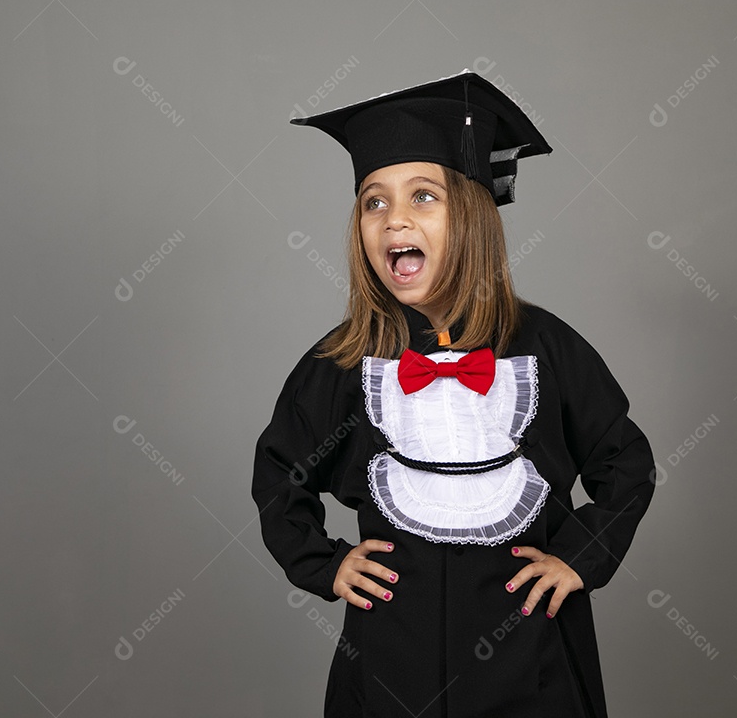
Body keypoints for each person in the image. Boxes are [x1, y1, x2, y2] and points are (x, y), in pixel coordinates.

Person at [252, 69, 657, 718]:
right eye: (374, 202)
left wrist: (579, 556)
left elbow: (625, 463)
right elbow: (280, 472)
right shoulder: (347, 359)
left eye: (423, 197)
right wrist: (324, 564)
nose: (394, 220)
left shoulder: (545, 349)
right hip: (390, 661)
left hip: (532, 663)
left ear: (470, 214)